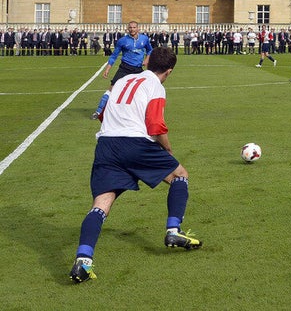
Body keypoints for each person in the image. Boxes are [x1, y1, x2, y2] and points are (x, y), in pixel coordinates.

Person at [70, 47, 201, 283]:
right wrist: (168, 149)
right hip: (135, 144)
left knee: (101, 204)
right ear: (169, 72)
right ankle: (173, 231)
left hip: (106, 144)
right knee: (179, 175)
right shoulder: (156, 86)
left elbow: (103, 113)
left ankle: (83, 262)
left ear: (147, 61)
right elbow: (155, 125)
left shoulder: (124, 79)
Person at [92, 21, 153, 119]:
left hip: (138, 69)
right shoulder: (122, 40)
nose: (132, 29)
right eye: (130, 27)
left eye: (134, 27)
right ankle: (99, 112)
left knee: (145, 90)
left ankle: (146, 113)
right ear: (127, 29)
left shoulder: (144, 39)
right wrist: (107, 69)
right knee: (112, 89)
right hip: (125, 68)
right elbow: (114, 56)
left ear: (138, 29)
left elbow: (150, 50)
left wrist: (147, 59)